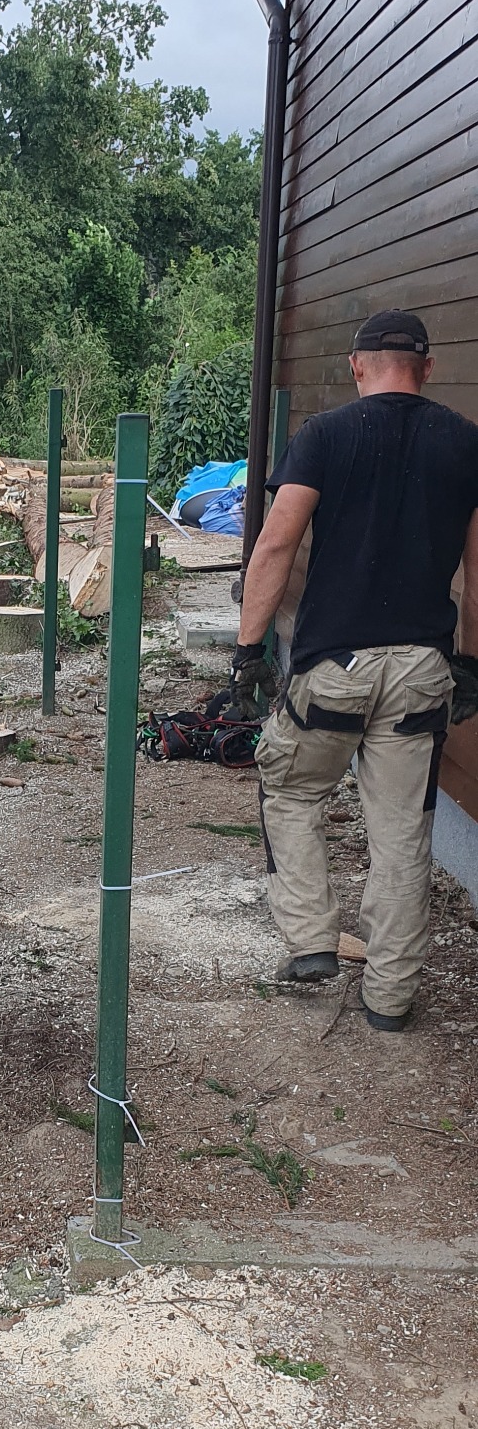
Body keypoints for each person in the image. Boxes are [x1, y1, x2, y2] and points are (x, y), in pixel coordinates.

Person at [231, 309, 478, 1032]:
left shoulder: (324, 437)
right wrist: (470, 661)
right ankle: (390, 999)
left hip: (332, 669)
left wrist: (249, 652)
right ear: (427, 369)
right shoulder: (466, 445)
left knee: (291, 785)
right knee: (402, 833)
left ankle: (311, 939)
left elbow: (275, 547)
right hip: (421, 673)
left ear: (355, 366)